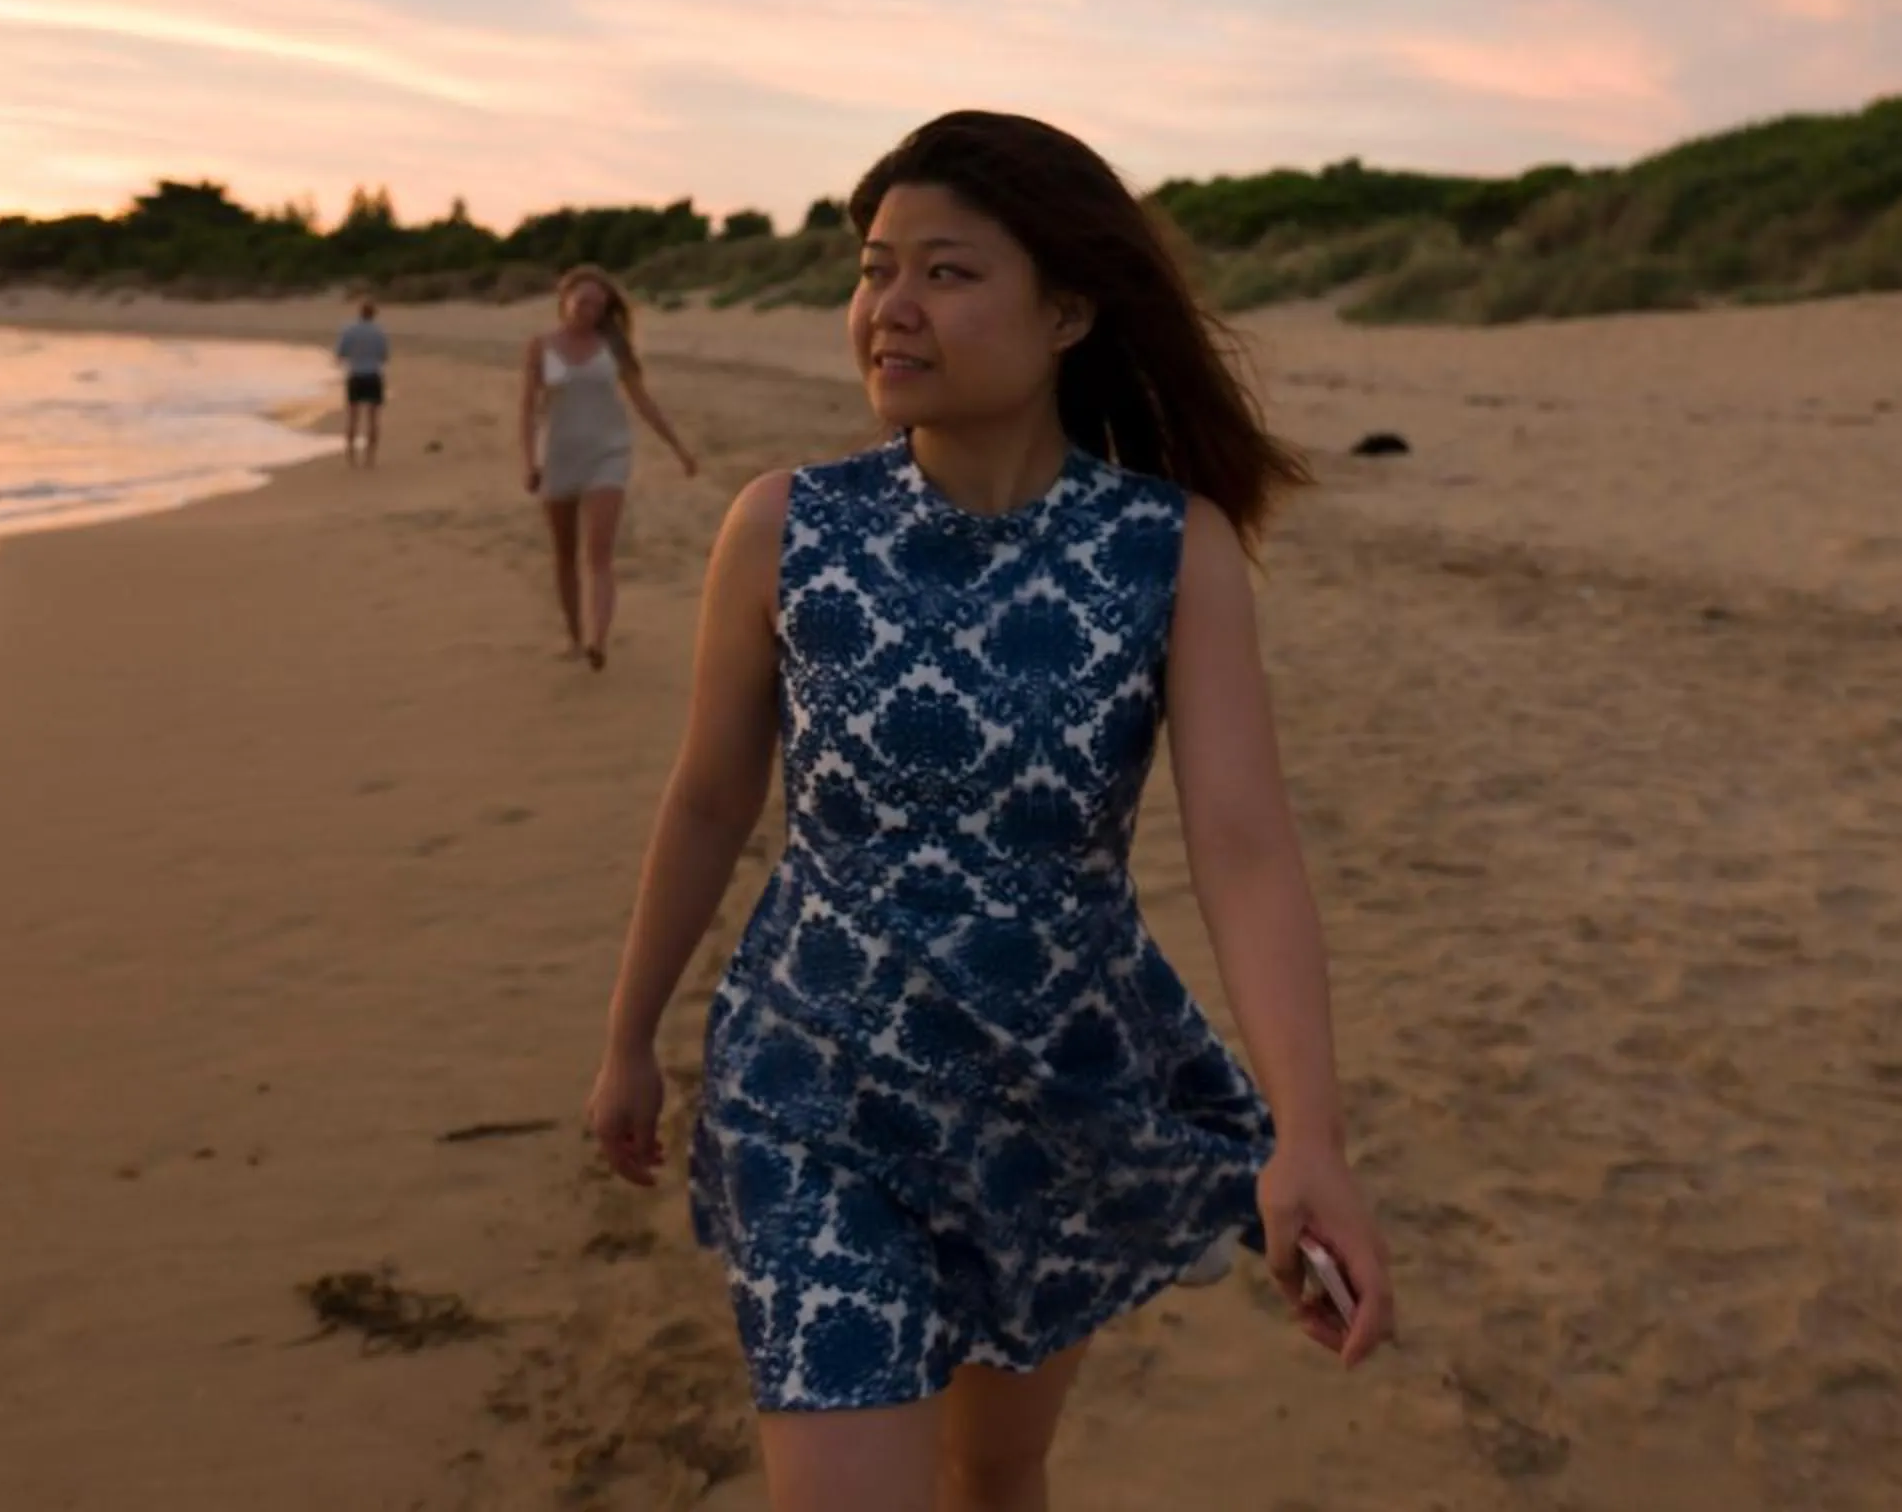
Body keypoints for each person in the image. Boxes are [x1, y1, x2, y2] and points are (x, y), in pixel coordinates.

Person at [581, 113, 1395, 1512]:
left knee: (996, 1477)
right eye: (874, 269)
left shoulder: (1168, 550)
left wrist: (1309, 1135)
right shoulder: (786, 529)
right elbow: (712, 799)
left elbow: (1244, 850)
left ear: (1068, 309)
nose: (888, 310)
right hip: (811, 1084)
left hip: (1050, 1093)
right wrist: (629, 1038)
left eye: (946, 274)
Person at [521, 264, 697, 669]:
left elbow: (642, 401)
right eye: (583, 302)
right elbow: (527, 410)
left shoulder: (612, 346)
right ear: (565, 300)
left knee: (598, 554)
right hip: (558, 457)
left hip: (608, 454)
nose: (590, 311)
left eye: (599, 305)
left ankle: (598, 641)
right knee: (564, 554)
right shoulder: (540, 346)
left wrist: (679, 449)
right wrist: (529, 460)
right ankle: (574, 636)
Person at [333, 297, 390, 468]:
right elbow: (384, 357)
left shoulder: (349, 330)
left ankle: (351, 456)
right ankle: (370, 458)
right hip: (373, 375)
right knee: (373, 418)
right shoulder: (379, 332)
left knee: (353, 417)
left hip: (356, 375)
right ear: (373, 314)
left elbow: (341, 354)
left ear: (360, 312)